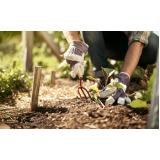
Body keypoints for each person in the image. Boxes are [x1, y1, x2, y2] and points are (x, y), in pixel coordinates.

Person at [63, 31, 159, 105]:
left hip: (141, 46)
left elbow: (139, 40)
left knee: (155, 44)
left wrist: (124, 76)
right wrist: (74, 43)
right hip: (109, 42)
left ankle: (135, 72)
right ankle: (102, 76)